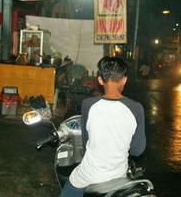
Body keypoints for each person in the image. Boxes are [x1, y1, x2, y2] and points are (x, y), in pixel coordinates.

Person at [61, 56, 146, 197]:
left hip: (89, 175)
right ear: (124, 79)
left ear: (100, 80)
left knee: (71, 185)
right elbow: (137, 150)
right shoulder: (136, 108)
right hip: (119, 177)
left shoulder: (88, 104)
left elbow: (86, 141)